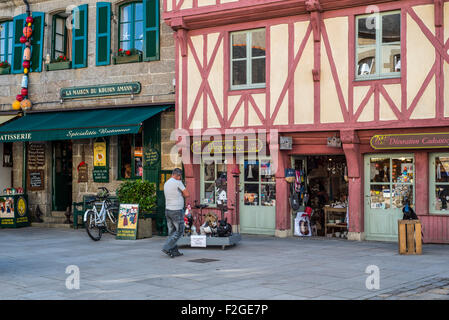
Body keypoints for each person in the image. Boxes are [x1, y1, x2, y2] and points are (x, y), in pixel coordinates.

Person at [162, 168, 190, 258]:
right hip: (176, 210)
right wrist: (181, 194)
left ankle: (174, 251)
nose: (180, 177)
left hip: (168, 209)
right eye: (180, 176)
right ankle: (167, 247)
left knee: (172, 231)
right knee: (179, 231)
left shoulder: (166, 183)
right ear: (178, 175)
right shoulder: (178, 182)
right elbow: (187, 194)